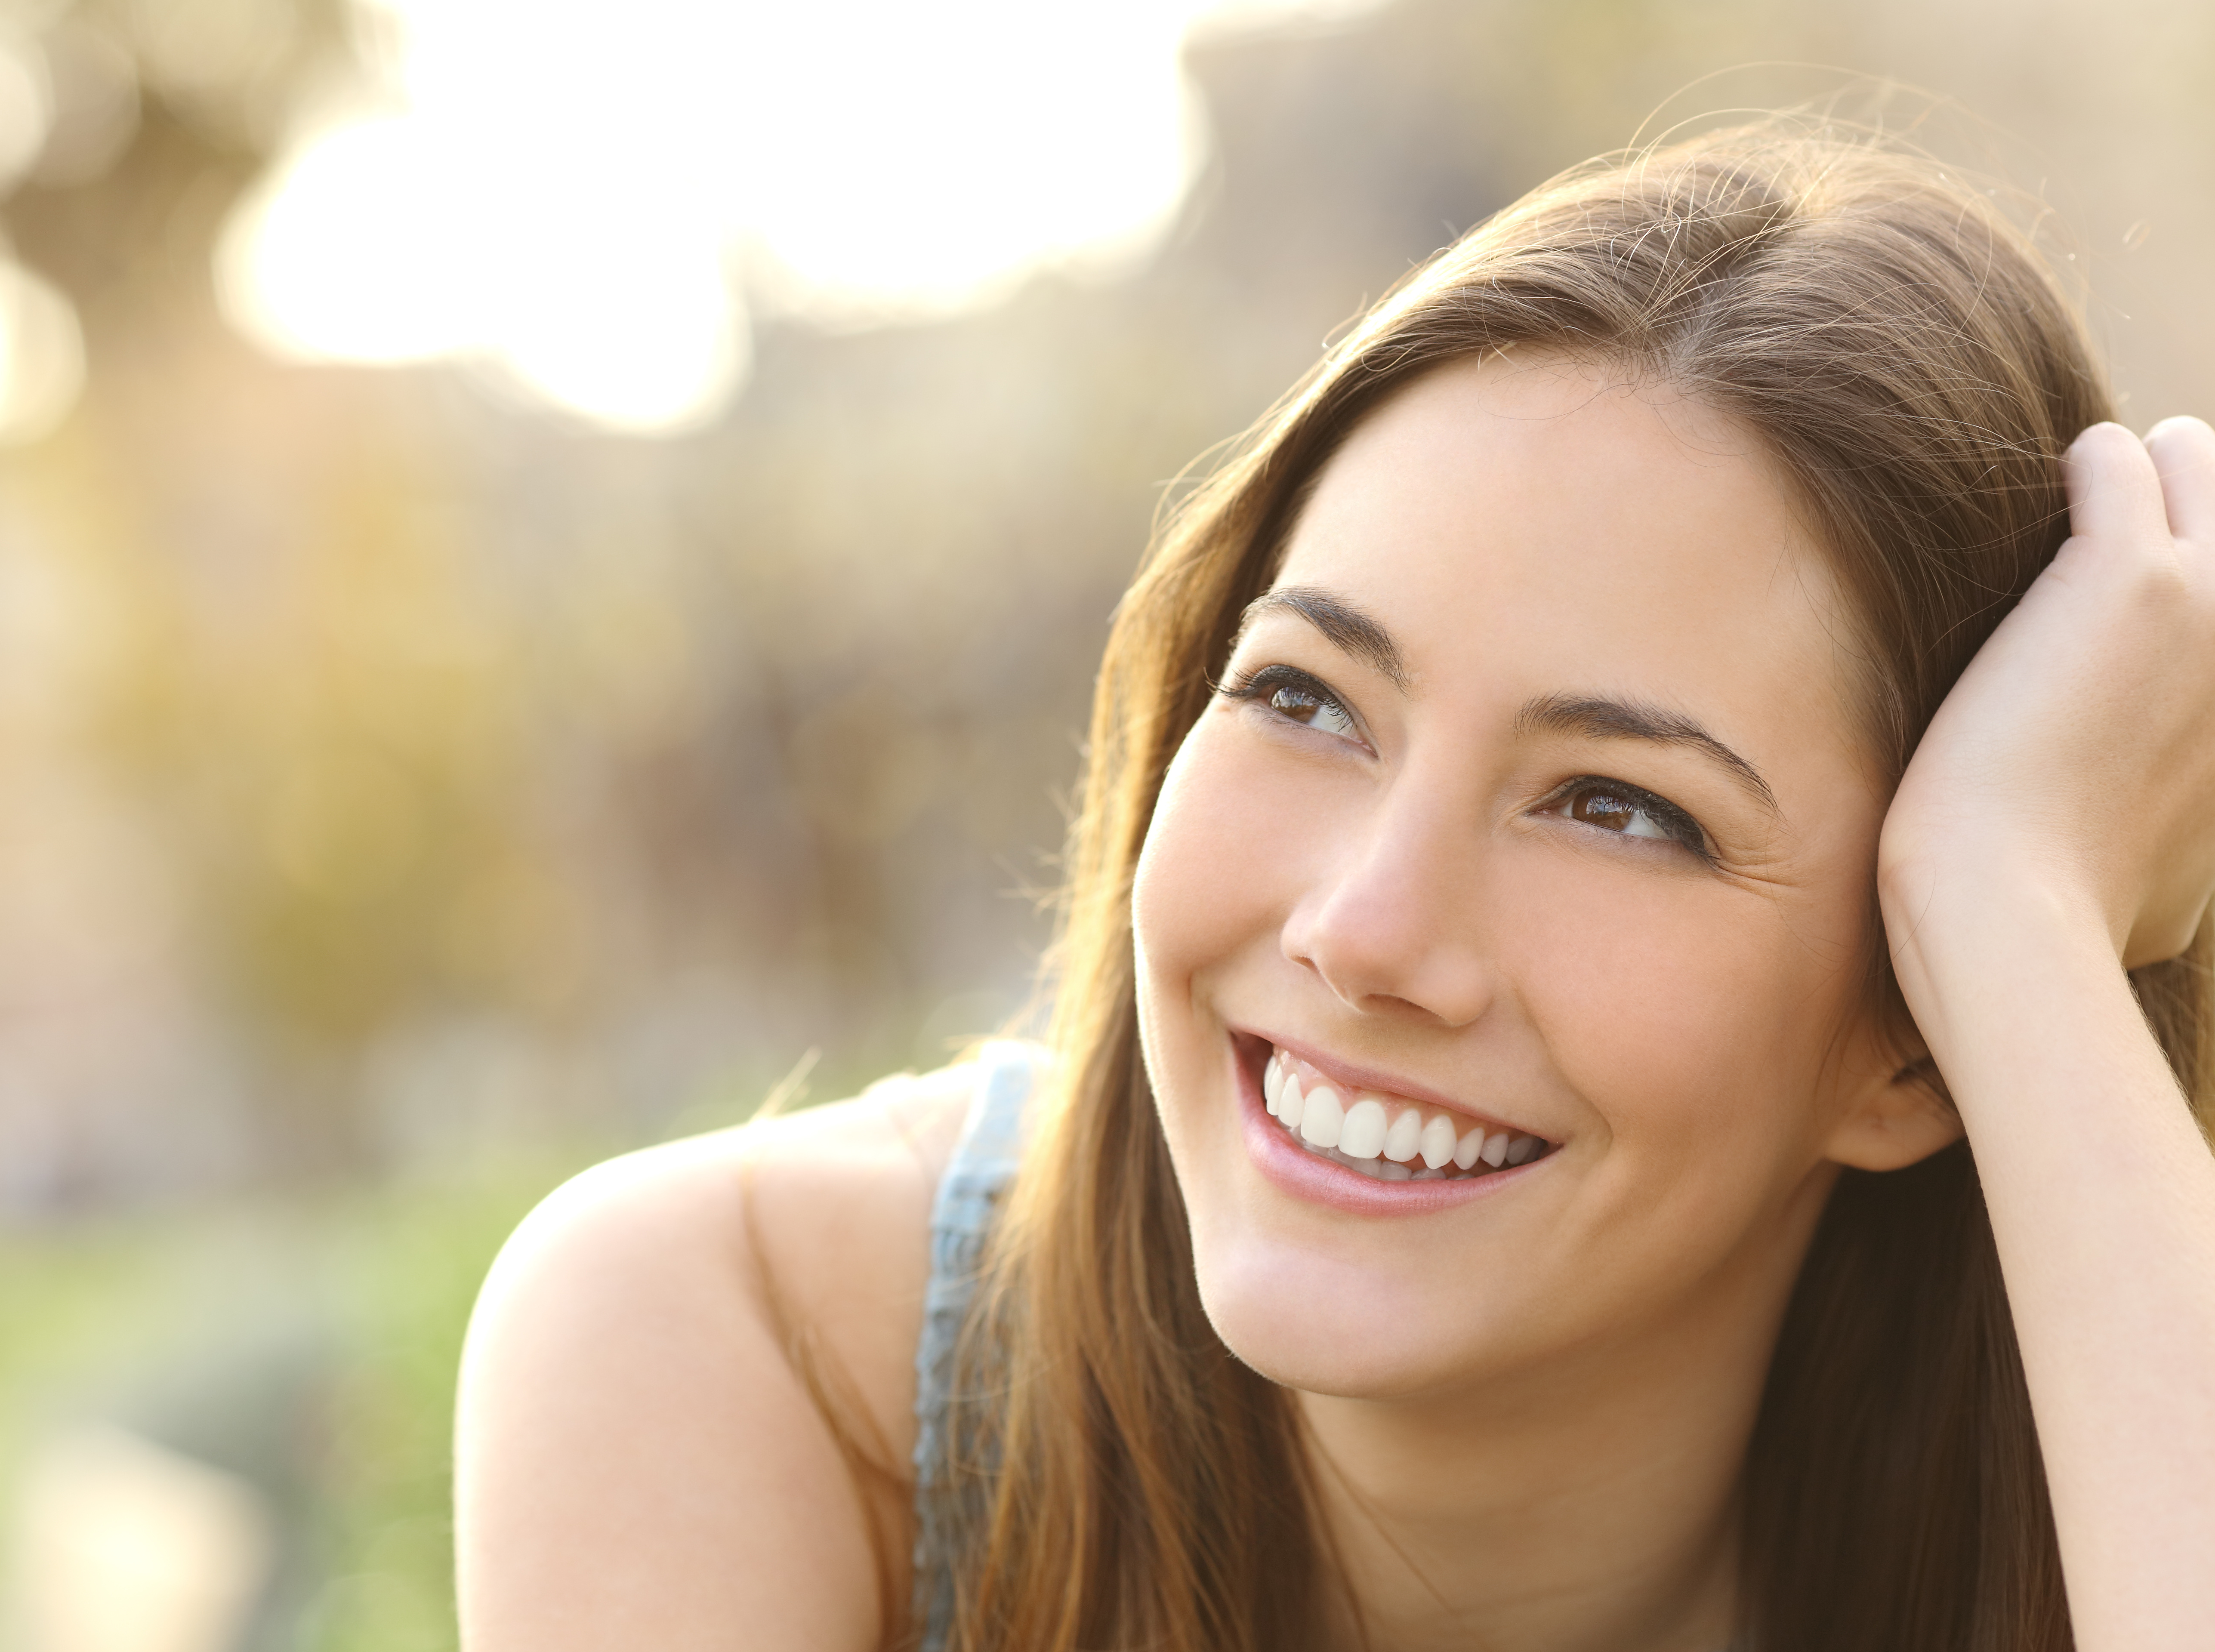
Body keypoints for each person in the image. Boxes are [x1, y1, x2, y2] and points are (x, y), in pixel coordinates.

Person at [451, 123, 2215, 1652]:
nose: (1364, 931)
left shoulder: (2098, 1487)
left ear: (1912, 1049)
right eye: (1302, 698)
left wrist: (2016, 911)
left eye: (1616, 807)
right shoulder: (743, 1355)